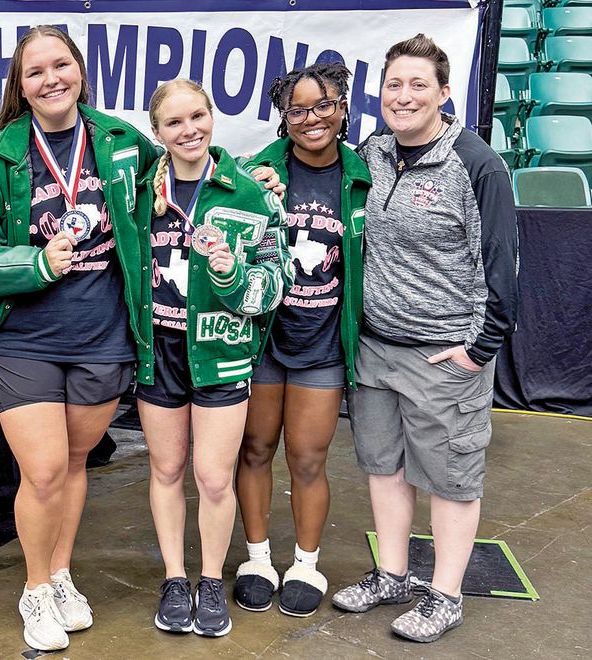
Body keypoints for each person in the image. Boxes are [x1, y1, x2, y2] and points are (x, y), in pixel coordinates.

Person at [0, 25, 160, 652]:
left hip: (103, 335)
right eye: (35, 72)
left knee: (71, 463)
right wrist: (36, 263)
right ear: (20, 86)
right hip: (23, 338)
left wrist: (250, 184)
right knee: (40, 473)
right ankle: (35, 589)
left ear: (81, 70)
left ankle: (61, 572)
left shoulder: (120, 141)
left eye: (60, 65)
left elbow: (179, 183)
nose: (51, 79)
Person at [331, 34, 518, 643]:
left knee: (450, 478)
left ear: (444, 93)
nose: (403, 96)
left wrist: (477, 349)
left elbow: (502, 269)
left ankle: (445, 594)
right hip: (376, 348)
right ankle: (393, 576)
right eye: (393, 84)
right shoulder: (374, 152)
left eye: (418, 85)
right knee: (384, 468)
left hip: (444, 356)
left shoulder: (477, 163)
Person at [138, 79, 293, 638]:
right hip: (159, 354)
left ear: (212, 116)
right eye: (174, 123)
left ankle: (209, 580)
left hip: (222, 352)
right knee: (166, 469)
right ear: (157, 133)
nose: (189, 130)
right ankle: (175, 579)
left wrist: (233, 278)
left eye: (197, 116)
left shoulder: (250, 191)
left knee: (212, 475)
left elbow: (279, 280)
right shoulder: (136, 190)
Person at [233, 62, 372, 618]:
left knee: (308, 459)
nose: (311, 118)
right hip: (263, 340)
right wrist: (249, 196)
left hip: (322, 346)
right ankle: (258, 559)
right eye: (297, 109)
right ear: (282, 116)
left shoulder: (365, 176)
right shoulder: (256, 171)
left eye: (323, 105)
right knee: (255, 448)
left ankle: (307, 564)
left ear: (343, 110)